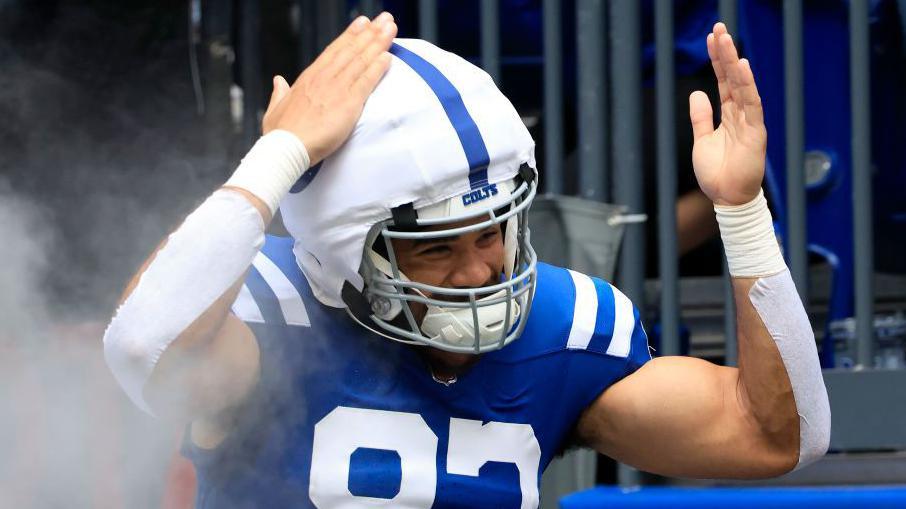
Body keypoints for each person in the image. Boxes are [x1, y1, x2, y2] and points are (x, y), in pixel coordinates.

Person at [102, 13, 830, 508]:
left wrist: (740, 211)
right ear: (341, 250)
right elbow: (142, 343)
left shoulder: (558, 328)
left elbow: (780, 436)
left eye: (491, 232)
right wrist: (279, 157)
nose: (481, 270)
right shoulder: (267, 320)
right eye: (438, 247)